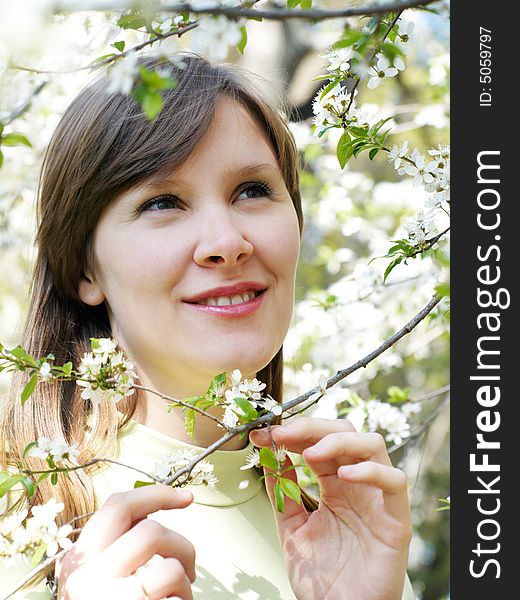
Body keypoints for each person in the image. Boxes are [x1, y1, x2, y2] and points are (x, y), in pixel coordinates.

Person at [0, 53, 414, 600]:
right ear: (84, 268)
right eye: (163, 202)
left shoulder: (340, 521)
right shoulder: (24, 522)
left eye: (253, 191)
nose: (227, 243)